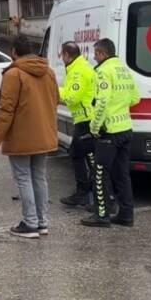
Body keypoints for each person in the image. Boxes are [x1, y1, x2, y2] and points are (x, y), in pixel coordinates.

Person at [0, 34, 60, 239]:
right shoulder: (49, 72)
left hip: (21, 136)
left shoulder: (14, 74)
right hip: (44, 134)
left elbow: (6, 110)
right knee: (39, 177)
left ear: (13, 52)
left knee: (24, 179)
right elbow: (56, 99)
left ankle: (30, 223)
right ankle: (42, 222)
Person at [81, 38, 139, 229]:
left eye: (96, 54)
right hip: (125, 128)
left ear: (102, 54)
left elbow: (102, 102)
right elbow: (134, 98)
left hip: (108, 132)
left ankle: (102, 215)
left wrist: (95, 127)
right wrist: (120, 107)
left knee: (100, 173)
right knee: (122, 175)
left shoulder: (103, 71)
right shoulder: (123, 70)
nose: (94, 58)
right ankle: (126, 215)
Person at [58, 42, 97, 208]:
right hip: (86, 119)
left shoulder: (77, 71)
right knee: (83, 156)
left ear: (67, 55)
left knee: (80, 155)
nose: (61, 58)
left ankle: (86, 193)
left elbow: (71, 97)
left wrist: (54, 91)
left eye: (62, 54)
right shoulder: (81, 67)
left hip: (86, 120)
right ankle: (88, 191)